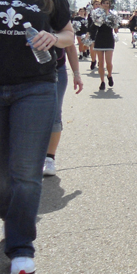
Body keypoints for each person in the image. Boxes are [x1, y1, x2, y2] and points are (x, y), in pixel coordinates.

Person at [0, 0, 75, 274]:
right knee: (1, 175)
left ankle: (20, 246)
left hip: (37, 86)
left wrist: (54, 38)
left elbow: (69, 34)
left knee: (26, 170)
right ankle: (13, 215)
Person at [43, 45, 84, 176]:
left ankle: (49, 158)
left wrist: (76, 74)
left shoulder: (61, 30)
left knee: (54, 114)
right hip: (22, 71)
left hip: (56, 69)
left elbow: (70, 47)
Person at [90, 0, 119, 91]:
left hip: (109, 39)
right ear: (101, 4)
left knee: (109, 62)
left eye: (107, 3)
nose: (106, 5)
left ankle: (109, 75)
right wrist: (90, 35)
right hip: (99, 38)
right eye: (104, 3)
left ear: (109, 4)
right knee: (101, 63)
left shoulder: (113, 14)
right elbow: (93, 26)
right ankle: (102, 81)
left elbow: (115, 27)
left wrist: (116, 26)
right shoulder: (97, 14)